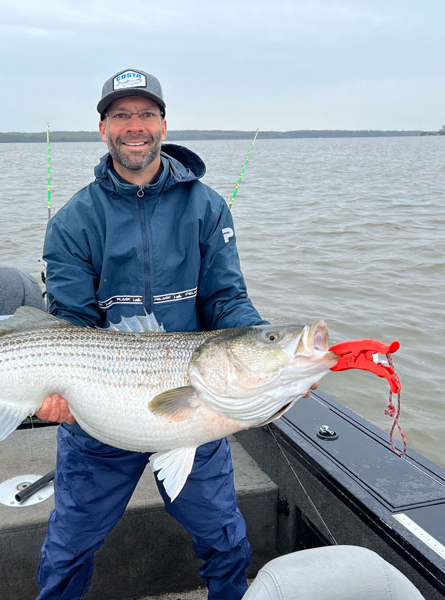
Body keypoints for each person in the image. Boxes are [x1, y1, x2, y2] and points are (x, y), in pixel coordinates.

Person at [34, 68, 284, 600]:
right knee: (68, 545)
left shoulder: (207, 206)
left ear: (164, 125)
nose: (135, 126)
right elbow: (71, 323)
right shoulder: (74, 220)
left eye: (146, 114)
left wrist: (267, 349)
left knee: (224, 536)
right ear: (103, 128)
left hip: (192, 405)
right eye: (121, 115)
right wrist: (53, 391)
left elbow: (226, 299)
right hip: (100, 414)